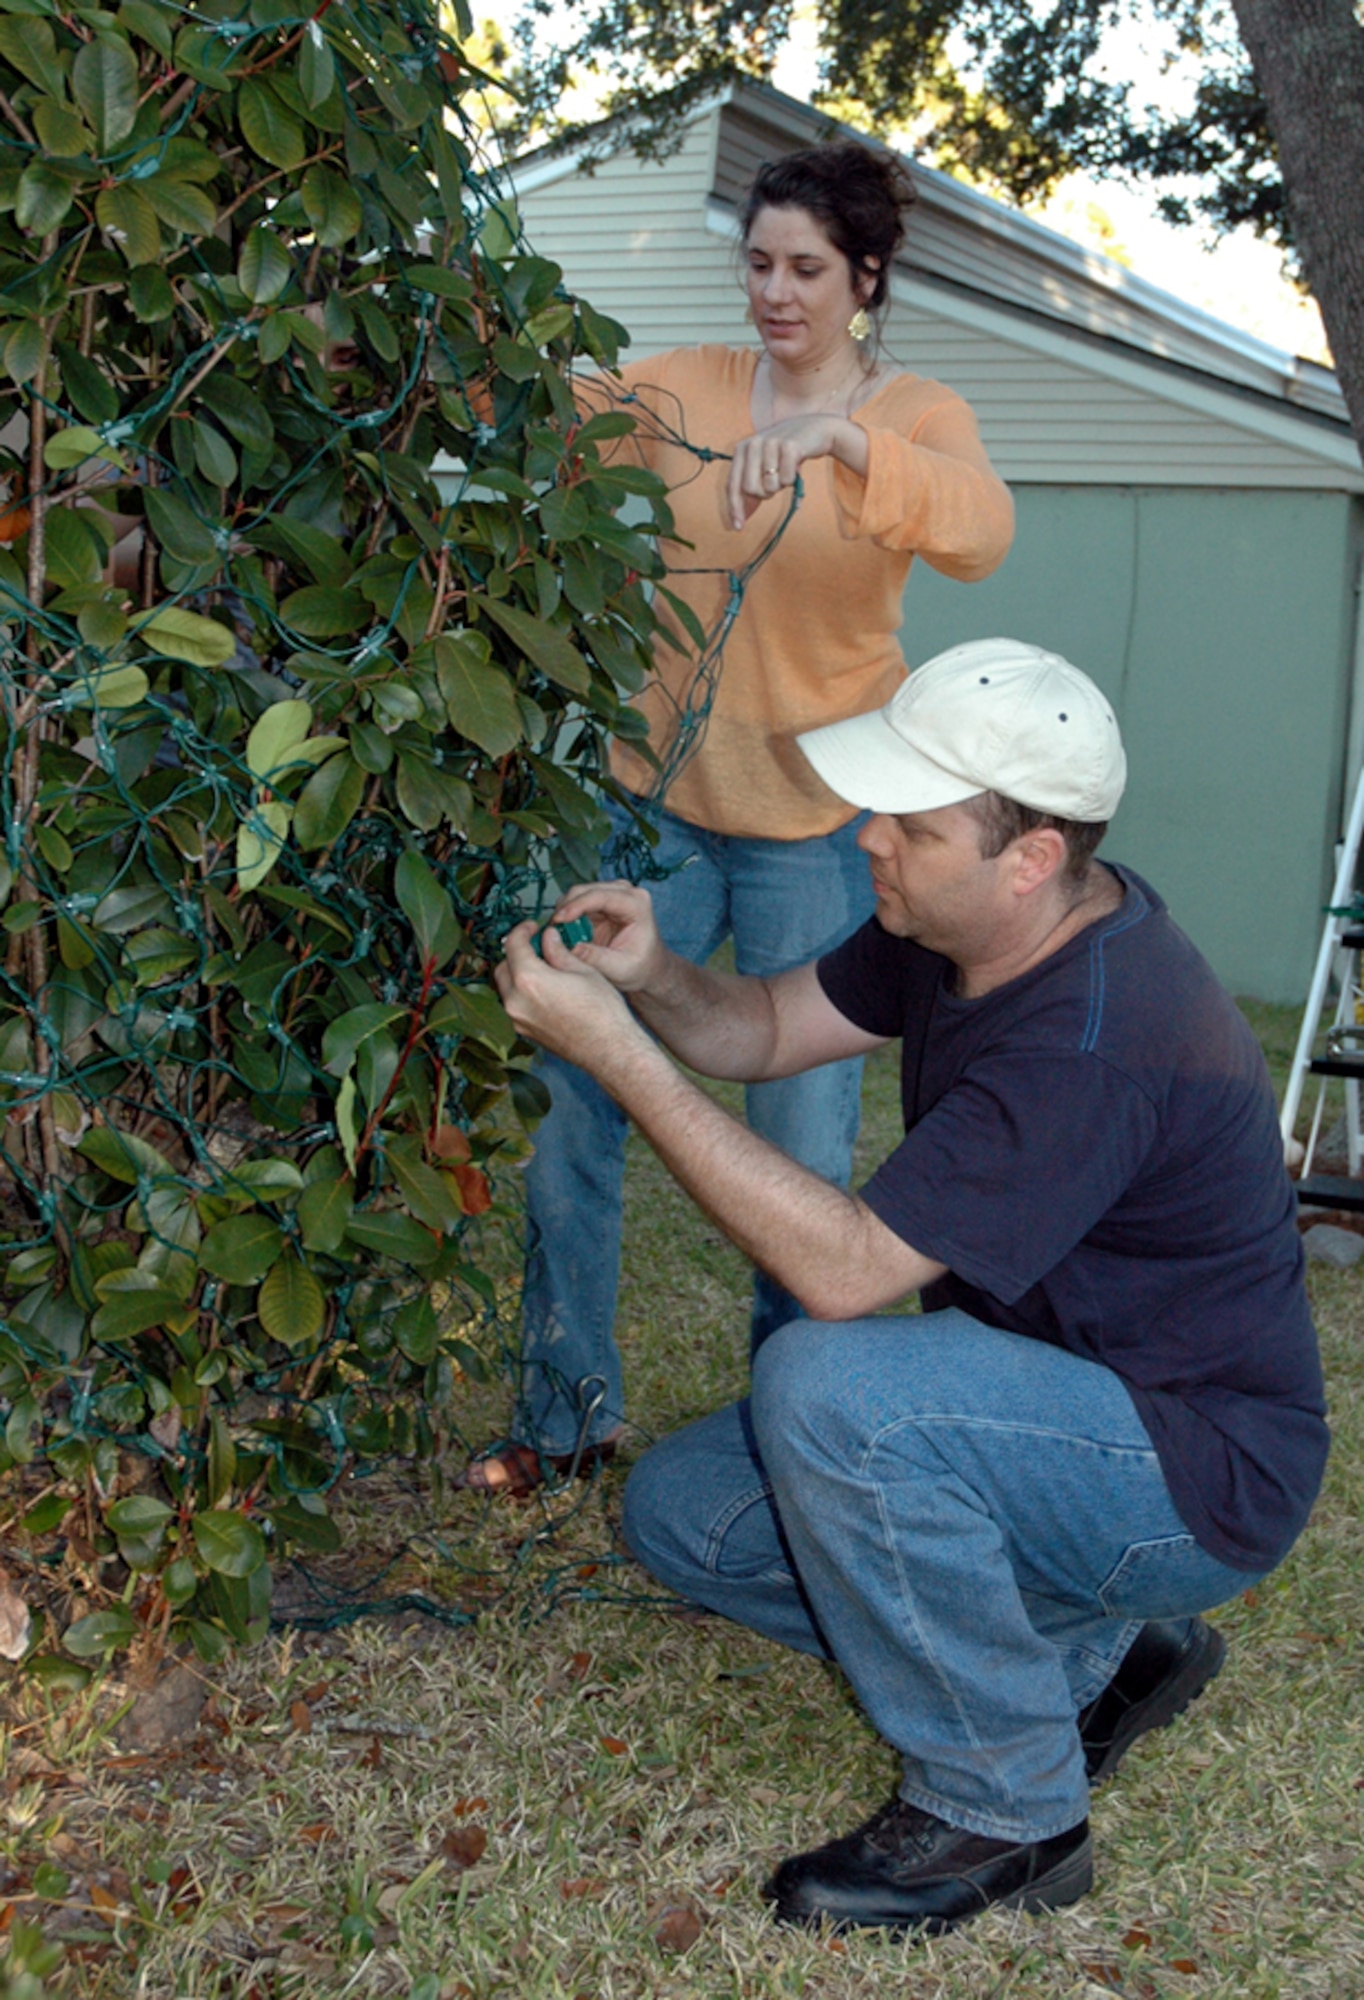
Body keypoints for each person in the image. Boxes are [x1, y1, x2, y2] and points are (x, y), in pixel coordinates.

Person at [491, 637, 1329, 1935]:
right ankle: (1103, 1656)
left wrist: (621, 1063)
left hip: (1189, 1476)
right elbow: (763, 1028)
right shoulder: (964, 928)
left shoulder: (1098, 1034)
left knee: (828, 1385)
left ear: (1031, 856)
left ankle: (1008, 1814)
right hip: (1052, 1417)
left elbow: (840, 1274)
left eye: (912, 825)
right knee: (684, 1515)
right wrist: (653, 980)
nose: (871, 838)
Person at [462, 140, 1014, 1494]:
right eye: (758, 262)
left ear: (864, 275)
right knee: (568, 1099)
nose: (775, 290)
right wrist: (464, 321)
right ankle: (565, 1418)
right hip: (648, 809)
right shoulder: (687, 386)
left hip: (821, 835)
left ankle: (791, 1440)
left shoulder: (918, 414)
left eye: (806, 268)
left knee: (805, 1156)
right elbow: (534, 404)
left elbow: (981, 529)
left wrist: (842, 440)